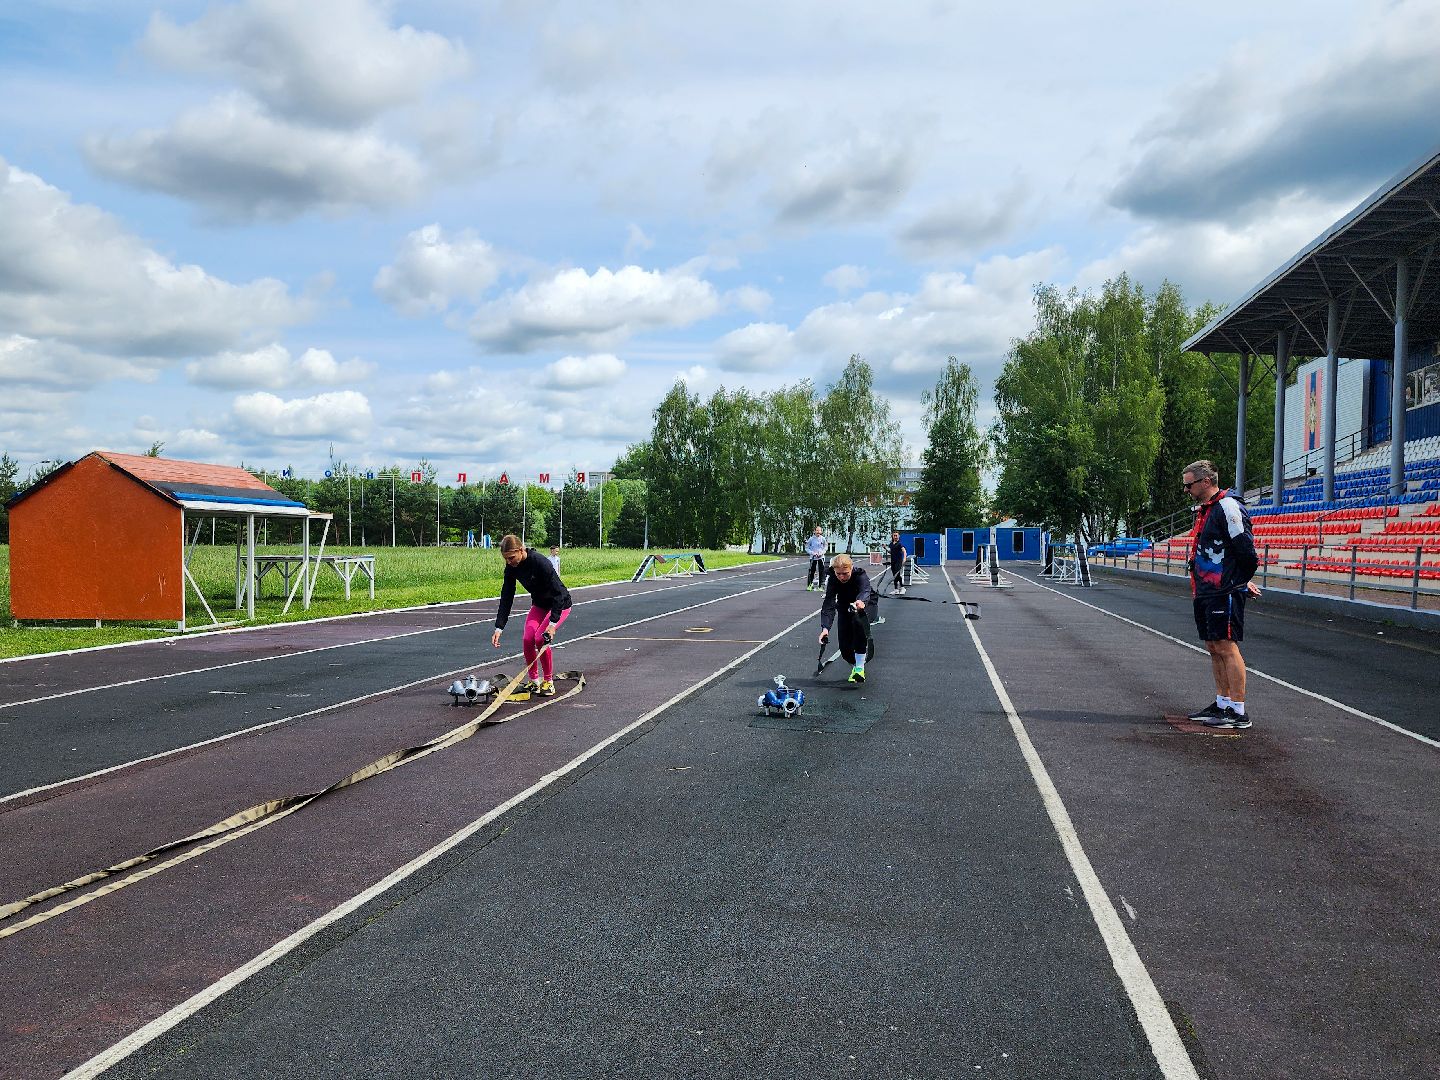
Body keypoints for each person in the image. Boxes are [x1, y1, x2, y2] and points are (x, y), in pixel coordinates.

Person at [1182, 460, 1261, 729]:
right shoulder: (1206, 510)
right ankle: (1223, 703)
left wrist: (1239, 582)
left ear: (1206, 482)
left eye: (1189, 485)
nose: (1186, 490)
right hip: (1205, 589)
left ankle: (1238, 711)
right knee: (1213, 646)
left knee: (1227, 646)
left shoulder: (1228, 506)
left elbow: (1246, 551)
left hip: (1222, 590)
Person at [490, 533, 573, 696]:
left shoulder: (540, 562)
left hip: (560, 604)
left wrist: (552, 624)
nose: (509, 562)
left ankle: (548, 682)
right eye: (506, 559)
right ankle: (534, 681)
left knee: (540, 638)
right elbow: (507, 596)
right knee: (528, 638)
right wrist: (499, 627)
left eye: (511, 557)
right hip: (540, 604)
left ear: (521, 550)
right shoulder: (511, 568)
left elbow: (558, 593)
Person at [818, 553, 874, 683]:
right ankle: (856, 667)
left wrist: (861, 601)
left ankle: (860, 668)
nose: (842, 577)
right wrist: (825, 628)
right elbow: (829, 603)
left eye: (845, 573)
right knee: (844, 648)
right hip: (844, 604)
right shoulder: (833, 578)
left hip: (865, 604)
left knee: (857, 624)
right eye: (839, 574)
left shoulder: (860, 574)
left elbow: (866, 590)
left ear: (851, 568)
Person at [805, 526, 828, 591]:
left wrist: (822, 553)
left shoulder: (823, 539)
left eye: (819, 530)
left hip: (821, 557)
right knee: (811, 571)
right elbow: (807, 548)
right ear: (814, 531)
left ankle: (820, 586)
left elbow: (825, 547)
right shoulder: (811, 539)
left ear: (821, 531)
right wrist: (812, 553)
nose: (818, 532)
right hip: (813, 557)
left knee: (821, 571)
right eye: (817, 530)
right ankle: (810, 585)